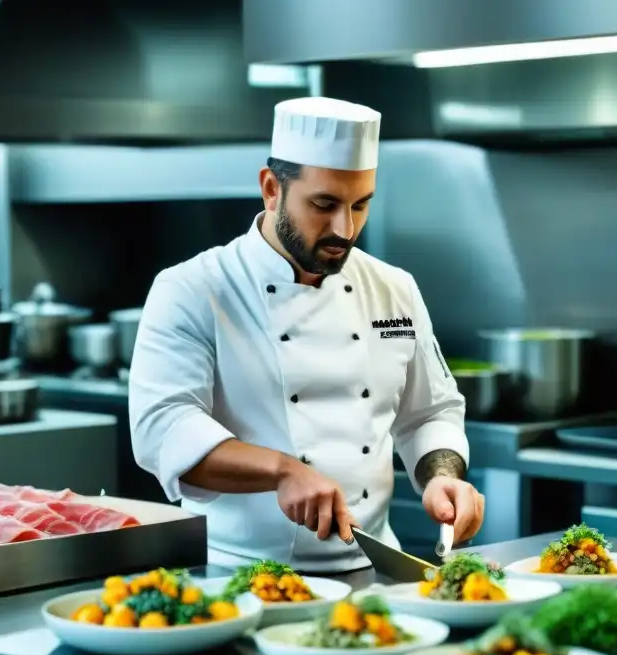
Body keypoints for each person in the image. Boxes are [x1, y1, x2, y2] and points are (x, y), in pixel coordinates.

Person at [128, 96, 484, 571]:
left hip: (371, 567)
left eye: (361, 205)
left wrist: (443, 477)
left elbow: (430, 412)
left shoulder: (394, 288)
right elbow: (162, 429)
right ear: (271, 188)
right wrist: (282, 471)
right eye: (324, 204)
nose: (346, 228)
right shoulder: (194, 288)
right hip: (237, 572)